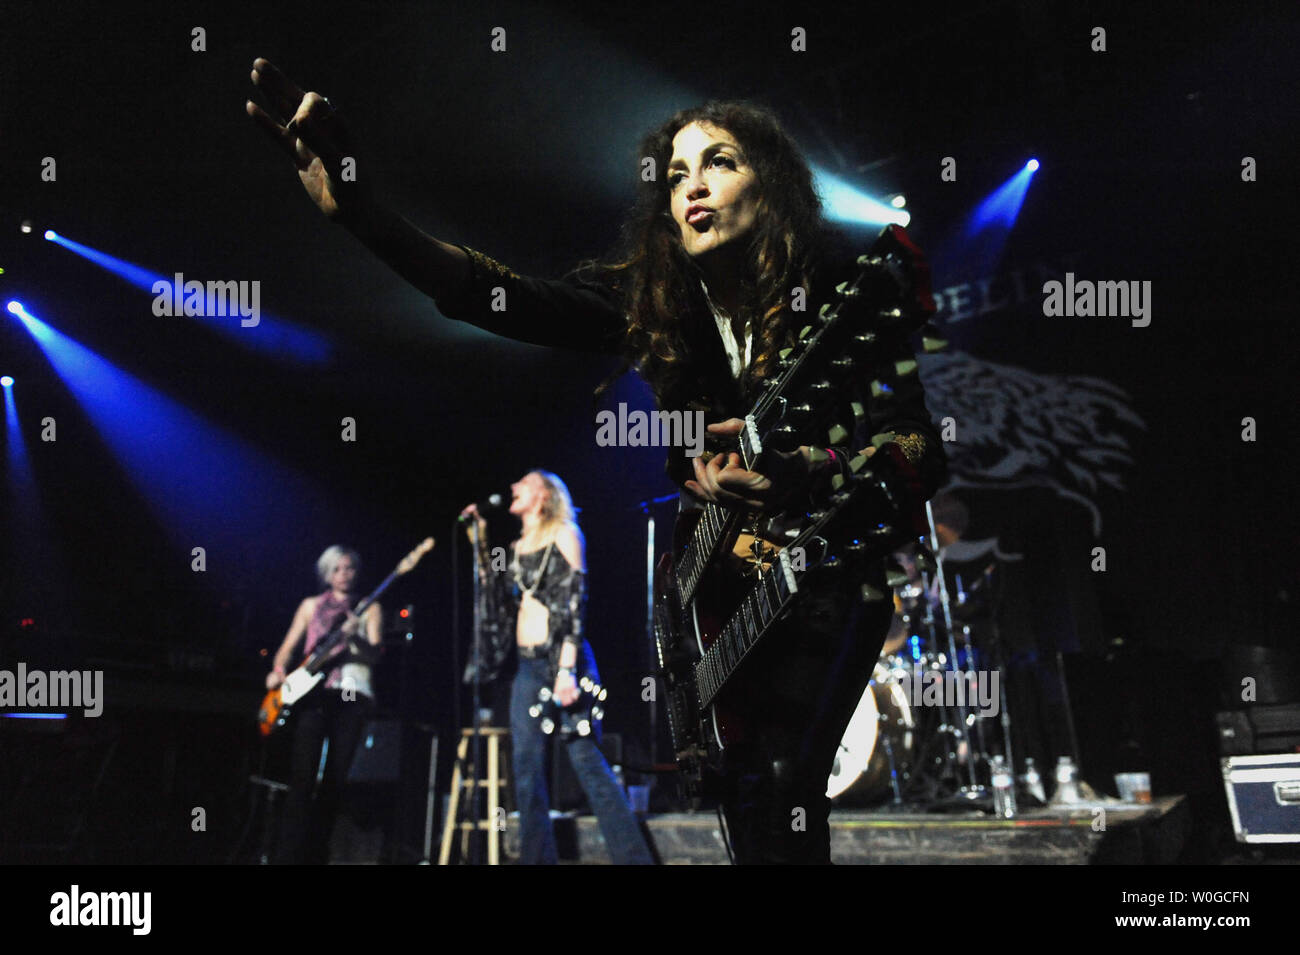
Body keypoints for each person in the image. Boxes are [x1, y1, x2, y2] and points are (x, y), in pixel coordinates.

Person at [248, 62, 946, 862]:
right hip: (713, 589)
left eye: (720, 161)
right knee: (749, 794)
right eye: (677, 172)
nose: (693, 185)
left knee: (787, 780)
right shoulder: (657, 301)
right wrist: (368, 216)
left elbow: (917, 445)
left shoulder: (845, 291)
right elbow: (505, 297)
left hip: (825, 571)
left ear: (775, 182)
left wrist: (808, 470)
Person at [461, 471, 653, 865]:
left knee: (587, 763)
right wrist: (479, 539)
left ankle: (634, 859)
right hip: (528, 669)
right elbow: (496, 599)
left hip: (564, 662)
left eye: (524, 483)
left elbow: (573, 605)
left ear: (545, 496)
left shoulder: (565, 533)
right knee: (526, 770)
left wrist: (566, 671)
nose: (513, 486)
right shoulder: (516, 547)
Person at [265, 545, 382, 864]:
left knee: (336, 779)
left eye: (350, 568)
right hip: (314, 695)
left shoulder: (369, 607)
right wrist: (277, 671)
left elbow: (376, 653)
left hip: (351, 695)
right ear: (327, 574)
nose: (345, 575)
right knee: (302, 777)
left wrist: (354, 636)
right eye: (338, 569)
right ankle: (287, 856)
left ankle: (318, 854)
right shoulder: (310, 606)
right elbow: (287, 647)